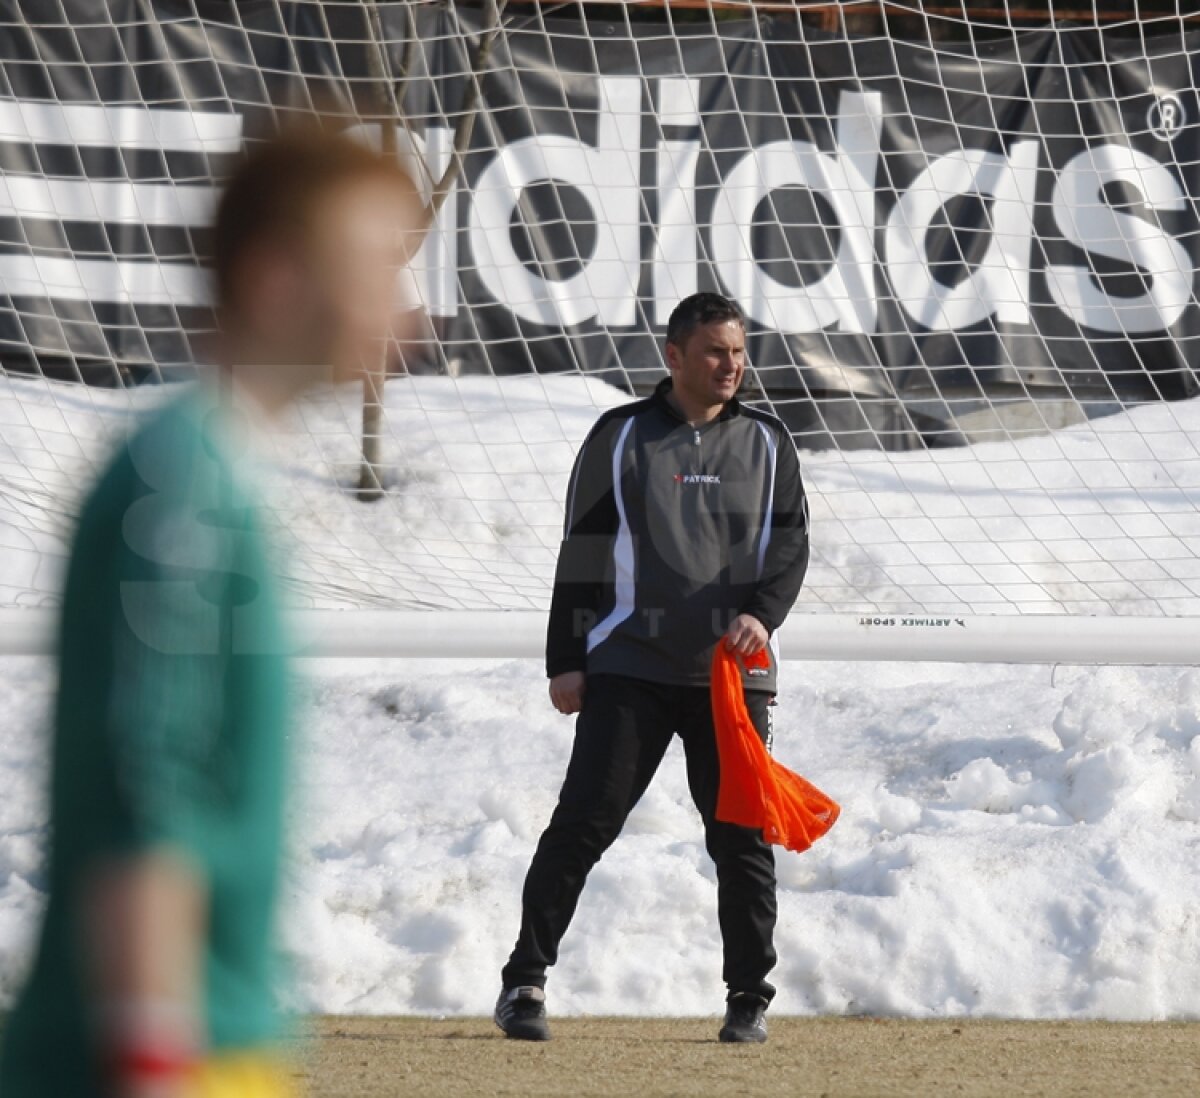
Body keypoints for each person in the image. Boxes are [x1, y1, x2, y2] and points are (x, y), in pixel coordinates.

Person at [0, 127, 421, 1098]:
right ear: (276, 279)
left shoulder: (214, 474)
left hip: (220, 1046)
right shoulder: (179, 487)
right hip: (151, 1057)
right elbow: (151, 802)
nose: (408, 311)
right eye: (375, 269)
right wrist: (156, 1062)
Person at [495, 292, 810, 1044]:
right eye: (714, 352)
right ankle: (524, 984)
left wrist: (760, 615)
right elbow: (582, 552)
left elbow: (791, 547)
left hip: (732, 680)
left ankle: (748, 999)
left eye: (738, 352)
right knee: (583, 825)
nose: (732, 365)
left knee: (740, 837)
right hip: (629, 667)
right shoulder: (619, 436)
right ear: (673, 357)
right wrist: (567, 660)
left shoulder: (769, 441)